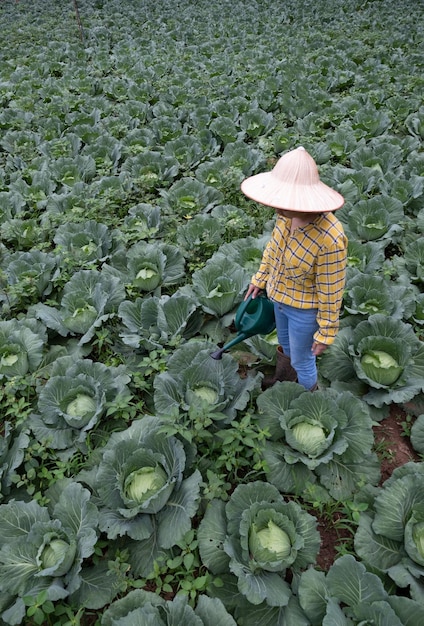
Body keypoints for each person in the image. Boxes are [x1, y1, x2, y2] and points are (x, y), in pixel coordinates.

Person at [241, 146, 347, 391]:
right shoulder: (286, 216)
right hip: (280, 299)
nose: (277, 208)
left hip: (304, 311)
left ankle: (306, 399)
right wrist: (260, 278)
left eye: (284, 202)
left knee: (303, 359)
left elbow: (331, 292)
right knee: (287, 348)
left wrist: (326, 333)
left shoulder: (329, 238)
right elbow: (273, 250)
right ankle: (285, 381)